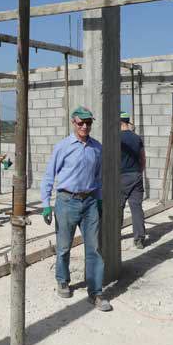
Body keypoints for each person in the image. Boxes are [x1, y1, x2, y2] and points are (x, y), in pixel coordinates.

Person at [40, 106, 112, 312]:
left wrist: (98, 200)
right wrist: (46, 205)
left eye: (88, 122)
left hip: (89, 202)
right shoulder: (63, 147)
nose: (85, 126)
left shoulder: (96, 148)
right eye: (81, 123)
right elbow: (48, 176)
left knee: (94, 249)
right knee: (64, 246)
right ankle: (62, 280)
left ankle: (95, 292)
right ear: (73, 123)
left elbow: (98, 178)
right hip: (66, 201)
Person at [120, 111, 146, 249]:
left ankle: (115, 234)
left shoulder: (115, 138)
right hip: (136, 176)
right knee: (136, 208)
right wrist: (138, 172)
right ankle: (139, 239)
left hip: (121, 177)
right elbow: (143, 159)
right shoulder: (137, 138)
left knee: (118, 207)